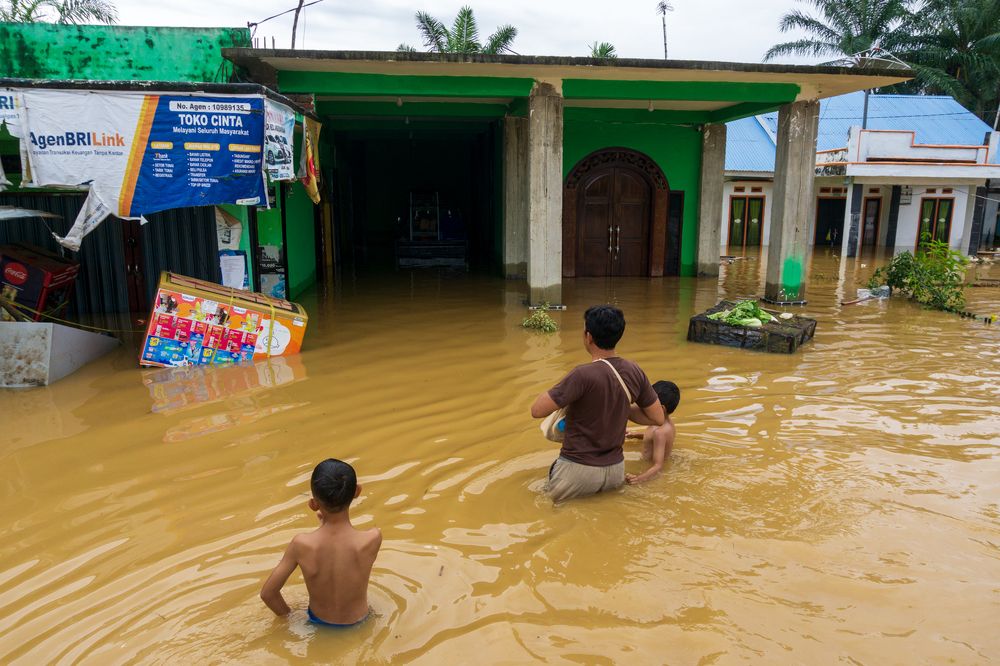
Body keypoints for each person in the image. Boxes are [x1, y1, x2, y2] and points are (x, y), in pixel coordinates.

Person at [530, 304, 664, 502]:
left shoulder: (581, 374)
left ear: (588, 336)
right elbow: (657, 417)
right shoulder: (635, 371)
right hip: (615, 472)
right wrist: (619, 405)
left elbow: (537, 410)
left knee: (553, 518)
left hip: (577, 471)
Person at [260, 459, 382, 627]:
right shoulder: (373, 538)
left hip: (317, 624)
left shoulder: (301, 545)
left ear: (313, 504)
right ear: (357, 491)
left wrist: (290, 617)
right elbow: (340, 550)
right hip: (359, 624)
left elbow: (268, 594)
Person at [624, 380, 680, 485]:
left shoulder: (660, 433)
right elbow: (653, 439)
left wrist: (638, 479)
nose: (645, 404)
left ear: (661, 408)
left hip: (649, 470)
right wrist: (635, 435)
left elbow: (658, 465)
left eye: (650, 401)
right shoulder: (665, 423)